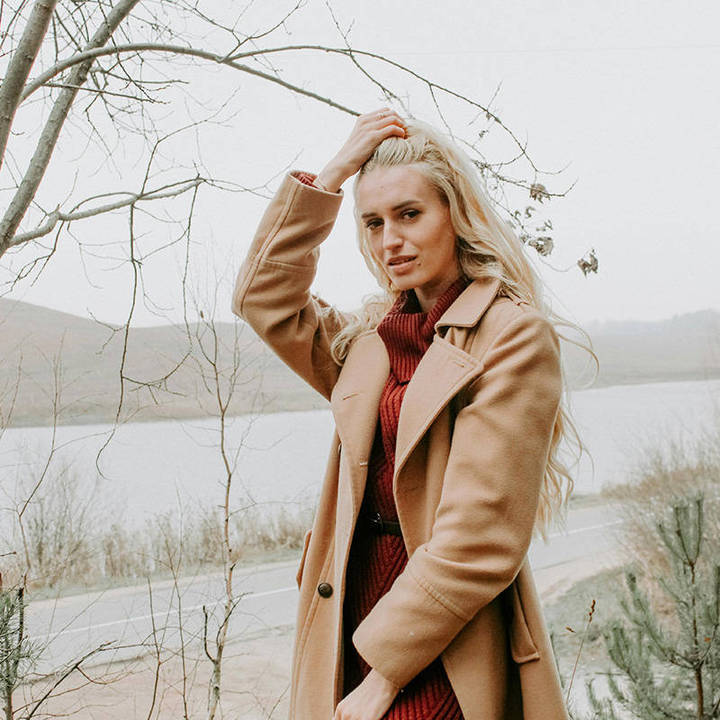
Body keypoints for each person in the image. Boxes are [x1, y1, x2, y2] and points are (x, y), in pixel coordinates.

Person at [231, 108, 580, 720]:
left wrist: (385, 675)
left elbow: (480, 536)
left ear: (456, 214)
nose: (389, 240)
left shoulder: (512, 336)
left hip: (444, 637)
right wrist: (330, 178)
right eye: (373, 223)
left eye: (409, 214)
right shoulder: (369, 341)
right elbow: (262, 298)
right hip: (348, 613)